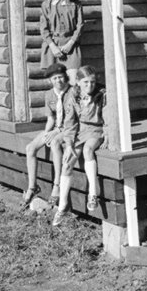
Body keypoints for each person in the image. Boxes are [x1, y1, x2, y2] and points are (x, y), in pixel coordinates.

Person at [54, 66, 105, 227]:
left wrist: (108, 135)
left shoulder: (102, 94)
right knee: (67, 163)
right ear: (78, 82)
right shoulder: (73, 96)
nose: (89, 85)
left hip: (96, 130)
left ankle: (93, 193)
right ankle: (62, 206)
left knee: (87, 150)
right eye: (85, 82)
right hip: (80, 131)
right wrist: (69, 144)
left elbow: (108, 117)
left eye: (92, 82)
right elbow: (69, 122)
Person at [20, 62, 71, 210]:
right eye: (55, 78)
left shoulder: (73, 92)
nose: (58, 81)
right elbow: (51, 118)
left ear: (65, 77)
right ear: (50, 80)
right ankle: (32, 187)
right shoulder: (49, 94)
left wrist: (57, 131)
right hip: (56, 128)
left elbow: (74, 119)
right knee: (30, 148)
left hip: (69, 128)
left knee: (55, 143)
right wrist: (47, 133)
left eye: (60, 77)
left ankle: (57, 185)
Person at [40, 0, 84, 84]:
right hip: (53, 48)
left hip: (71, 47)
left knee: (73, 82)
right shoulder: (46, 5)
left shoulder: (75, 3)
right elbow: (44, 29)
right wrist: (53, 46)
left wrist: (70, 43)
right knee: (56, 83)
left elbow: (80, 25)